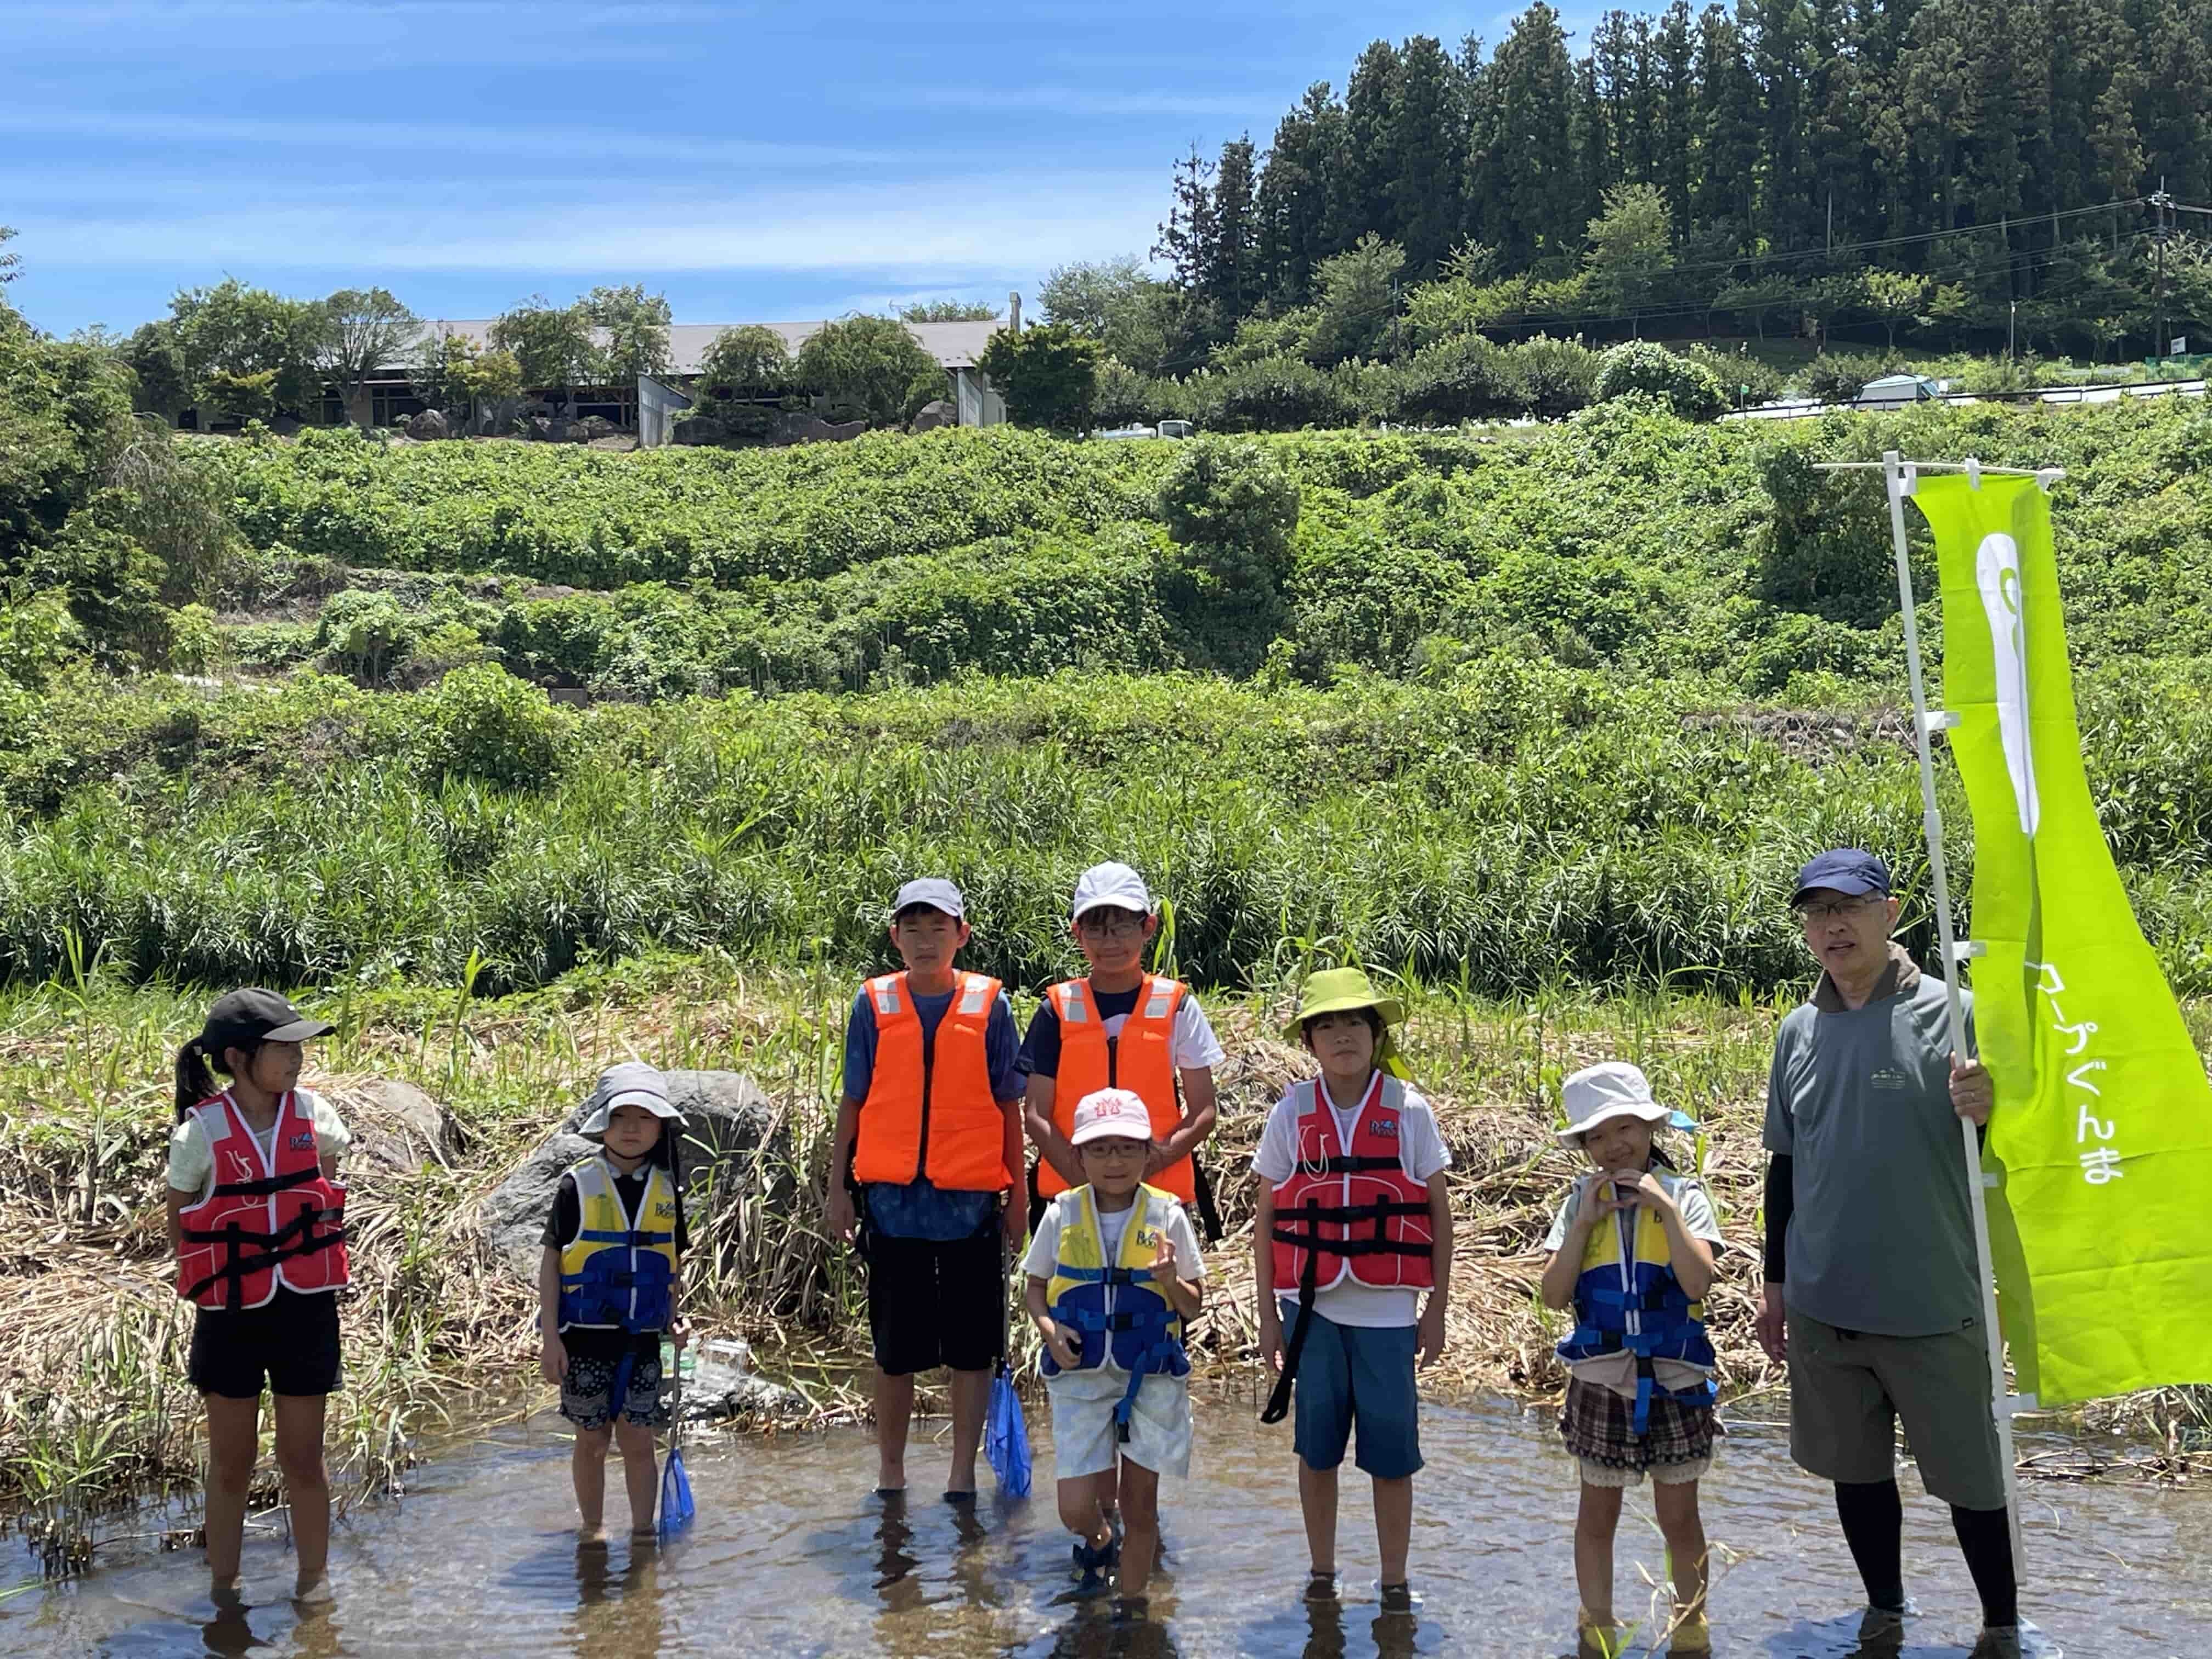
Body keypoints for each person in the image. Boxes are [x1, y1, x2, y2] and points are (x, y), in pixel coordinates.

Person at [1757, 849, 2037, 1658]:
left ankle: (2003, 1628)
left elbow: (2025, 1146)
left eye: (1848, 907)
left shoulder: (1958, 1015)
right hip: (1823, 1301)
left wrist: (1988, 1113)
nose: (1832, 926)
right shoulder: (1797, 1031)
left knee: (1973, 1483)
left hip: (1933, 1299)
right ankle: (1884, 1615)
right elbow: (1785, 1166)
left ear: (1891, 912)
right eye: (1816, 913)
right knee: (1857, 1473)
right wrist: (1776, 1285)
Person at [1252, 968, 1452, 1614]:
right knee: (1317, 1451)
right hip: (1308, 1311)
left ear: (1376, 1034)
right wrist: (1267, 1320)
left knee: (1392, 1455)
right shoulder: (1291, 1113)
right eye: (1328, 1025)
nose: (1343, 1036)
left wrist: (1438, 1312)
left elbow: (1438, 1213)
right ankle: (1322, 1577)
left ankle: (1394, 1582)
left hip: (1390, 1311)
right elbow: (1266, 1221)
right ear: (1310, 1041)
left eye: (1355, 1023)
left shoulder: (1408, 1108)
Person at [826, 877, 1025, 1501]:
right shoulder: (873, 1005)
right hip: (891, 1206)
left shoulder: (992, 1007)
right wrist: (837, 1188)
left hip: (970, 1208)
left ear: (961, 935)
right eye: (912, 928)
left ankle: (962, 1474)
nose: (925, 940)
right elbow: (853, 1101)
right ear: (895, 937)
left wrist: (1019, 1198)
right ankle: (891, 1472)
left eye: (938, 927)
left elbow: (1010, 1109)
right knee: (896, 1353)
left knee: (971, 1353)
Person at [166, 988, 351, 1609]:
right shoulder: (202, 1132)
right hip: (230, 1315)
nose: (298, 1058)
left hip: (305, 1309)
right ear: (240, 1057)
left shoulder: (318, 1118)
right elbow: (182, 1224)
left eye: (300, 1047)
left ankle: (313, 1587)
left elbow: (325, 1186)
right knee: (231, 1464)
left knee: (304, 1458)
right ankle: (226, 1589)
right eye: (284, 1048)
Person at [1539, 1062, 1724, 1656]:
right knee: (1597, 1514)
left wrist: (1664, 1211)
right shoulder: (1578, 1204)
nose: (1614, 1144)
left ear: (1650, 1129)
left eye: (1626, 1128)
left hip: (1676, 1377)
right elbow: (1552, 1294)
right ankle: (1597, 1626)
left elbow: (1697, 1284)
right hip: (1601, 1379)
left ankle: (1690, 1627)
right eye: (1597, 1135)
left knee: (1680, 1517)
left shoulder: (1685, 1196)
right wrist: (1585, 1223)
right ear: (1585, 1146)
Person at [1025, 1088, 1204, 1621]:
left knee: (1141, 1507)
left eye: (1128, 1148)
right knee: (1075, 1508)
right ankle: (1099, 1539)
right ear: (1078, 1157)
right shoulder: (1061, 1214)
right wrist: (1049, 1330)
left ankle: (1132, 1612)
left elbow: (1192, 1309)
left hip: (1150, 1375)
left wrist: (1172, 1280)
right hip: (1081, 1374)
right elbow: (1036, 1288)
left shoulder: (1167, 1215)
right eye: (1100, 1150)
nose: (1114, 1161)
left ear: (1149, 1153)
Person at [1022, 862, 1223, 1232]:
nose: (1110, 941)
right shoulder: (1056, 1011)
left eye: (1122, 927)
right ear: (1077, 933)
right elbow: (1036, 1115)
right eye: (1096, 930)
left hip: (1158, 1197)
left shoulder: (1178, 1007)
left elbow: (1203, 1111)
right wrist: (1086, 1182)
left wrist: (1146, 1168)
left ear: (1148, 927)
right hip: (1069, 1199)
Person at [538, 1060, 690, 1544]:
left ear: (661, 1126)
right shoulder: (576, 1185)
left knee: (640, 1439)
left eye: (644, 1118)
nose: (631, 1128)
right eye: (620, 1116)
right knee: (593, 1438)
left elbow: (671, 1263)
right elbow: (551, 1263)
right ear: (602, 1122)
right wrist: (548, 1341)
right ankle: (594, 1528)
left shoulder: (667, 1190)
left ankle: (643, 1533)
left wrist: (674, 1318)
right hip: (583, 1340)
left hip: (642, 1339)